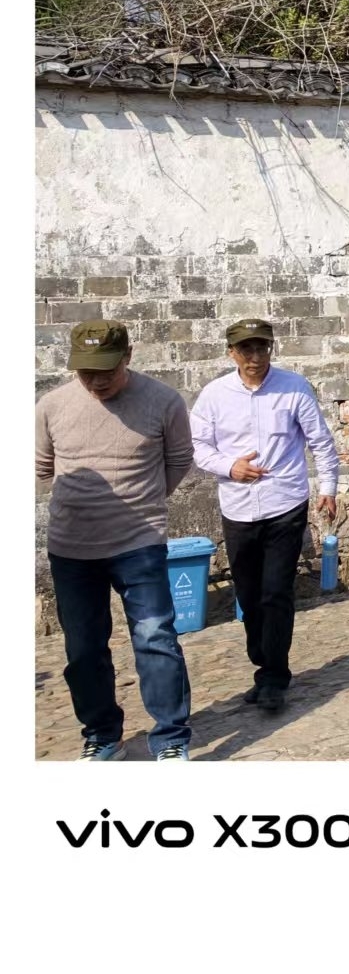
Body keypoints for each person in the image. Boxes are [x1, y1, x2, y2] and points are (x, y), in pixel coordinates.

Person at [36, 321, 195, 761]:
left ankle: (171, 739)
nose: (97, 380)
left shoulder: (163, 400)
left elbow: (180, 458)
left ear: (128, 356)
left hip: (139, 542)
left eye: (106, 369)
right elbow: (43, 468)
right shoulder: (51, 406)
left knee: (155, 637)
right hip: (72, 549)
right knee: (83, 648)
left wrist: (141, 504)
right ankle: (103, 736)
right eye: (87, 371)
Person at [190, 317, 339, 714]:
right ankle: (264, 661)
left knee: (276, 591)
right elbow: (198, 446)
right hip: (238, 507)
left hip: (284, 503)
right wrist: (230, 467)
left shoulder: (294, 387)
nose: (255, 356)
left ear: (271, 349)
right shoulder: (214, 395)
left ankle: (274, 675)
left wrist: (328, 488)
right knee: (248, 594)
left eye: (262, 347)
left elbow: (320, 441)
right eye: (246, 349)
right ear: (231, 353)